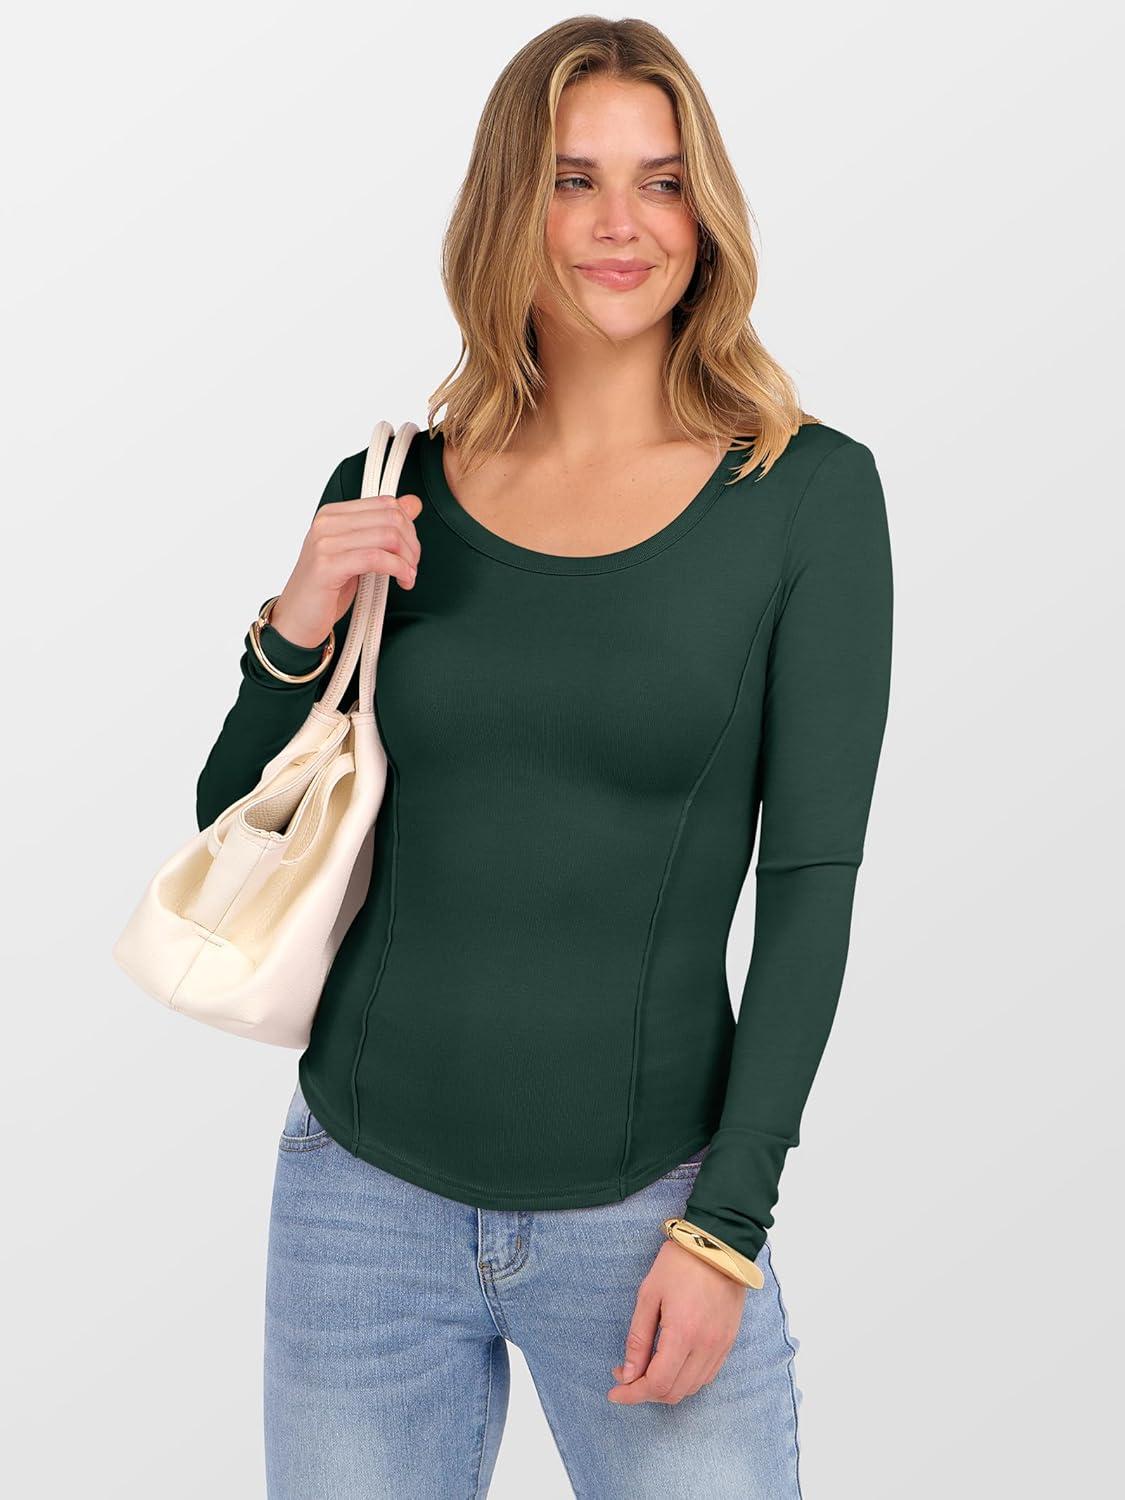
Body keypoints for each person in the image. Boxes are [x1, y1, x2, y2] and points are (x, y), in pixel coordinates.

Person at [195, 16, 893, 1498]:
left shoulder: (805, 498)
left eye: (660, 179)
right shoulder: (391, 488)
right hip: (358, 1200)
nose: (621, 223)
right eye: (575, 180)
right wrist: (296, 619)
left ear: (705, 210)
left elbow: (811, 884)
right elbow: (237, 828)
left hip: (653, 1214)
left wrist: (727, 1226)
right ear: (511, 205)